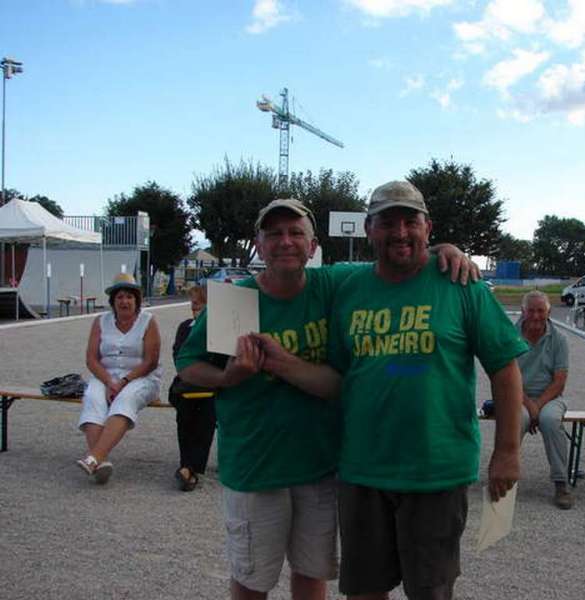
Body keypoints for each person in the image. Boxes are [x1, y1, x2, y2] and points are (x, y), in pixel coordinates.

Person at [177, 197, 477, 600]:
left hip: (318, 463)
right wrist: (229, 377)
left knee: (311, 573)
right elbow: (188, 366)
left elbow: (395, 256)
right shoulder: (237, 300)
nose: (285, 242)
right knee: (252, 581)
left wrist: (445, 249)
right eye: (274, 234)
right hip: (255, 465)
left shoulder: (332, 285)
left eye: (295, 233)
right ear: (258, 245)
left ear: (313, 245)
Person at [324, 181, 525, 600]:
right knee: (363, 590)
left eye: (410, 221)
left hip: (436, 471)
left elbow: (504, 369)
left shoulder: (462, 285)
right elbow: (341, 372)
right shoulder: (348, 288)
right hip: (363, 468)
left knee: (430, 591)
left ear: (427, 227)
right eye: (387, 222)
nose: (400, 232)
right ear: (368, 229)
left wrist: (507, 451)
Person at [77, 272, 162, 484]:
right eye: (120, 297)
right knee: (92, 397)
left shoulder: (148, 321)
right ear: (113, 301)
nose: (125, 301)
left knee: (125, 399)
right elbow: (91, 359)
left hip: (141, 377)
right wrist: (108, 381)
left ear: (137, 300)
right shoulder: (100, 321)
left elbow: (150, 361)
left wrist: (123, 382)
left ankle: (93, 457)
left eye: (129, 297)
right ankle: (101, 462)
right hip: (107, 375)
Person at [517, 290, 573, 509]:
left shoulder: (559, 339)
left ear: (549, 312)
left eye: (541, 311)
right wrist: (528, 405)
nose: (536, 316)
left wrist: (536, 406)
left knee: (550, 420)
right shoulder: (508, 335)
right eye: (531, 310)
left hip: (550, 397)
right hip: (516, 395)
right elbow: (504, 377)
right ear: (523, 311)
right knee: (517, 420)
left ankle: (561, 482)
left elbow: (559, 381)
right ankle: (505, 478)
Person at [168, 284, 216, 492]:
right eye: (194, 303)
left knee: (207, 406)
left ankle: (189, 468)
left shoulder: (219, 329)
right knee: (187, 406)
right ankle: (189, 466)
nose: (195, 307)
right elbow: (180, 357)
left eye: (200, 303)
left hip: (212, 384)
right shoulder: (185, 326)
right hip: (187, 384)